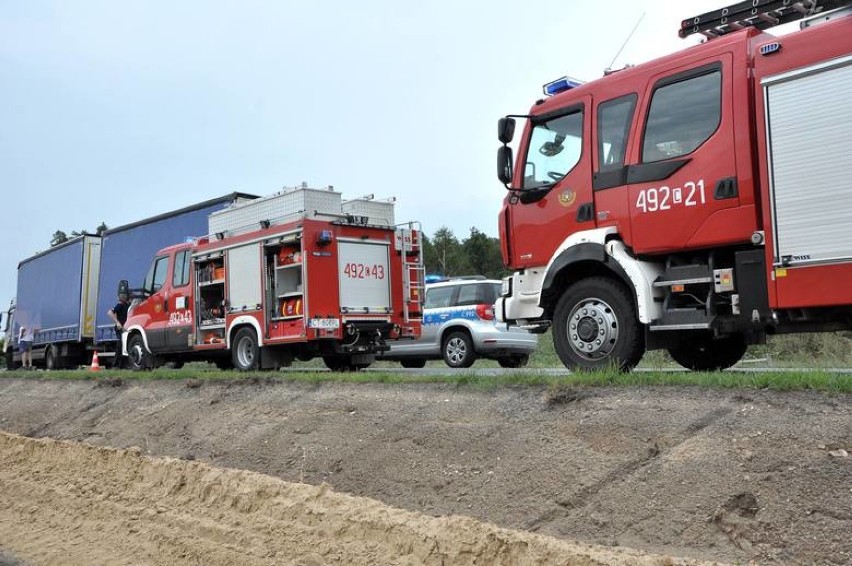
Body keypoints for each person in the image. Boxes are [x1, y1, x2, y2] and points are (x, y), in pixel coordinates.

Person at [107, 292, 130, 368]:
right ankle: (115, 365)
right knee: (120, 345)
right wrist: (117, 322)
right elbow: (110, 312)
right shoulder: (120, 305)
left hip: (127, 328)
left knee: (126, 346)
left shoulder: (129, 306)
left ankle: (124, 365)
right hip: (120, 328)